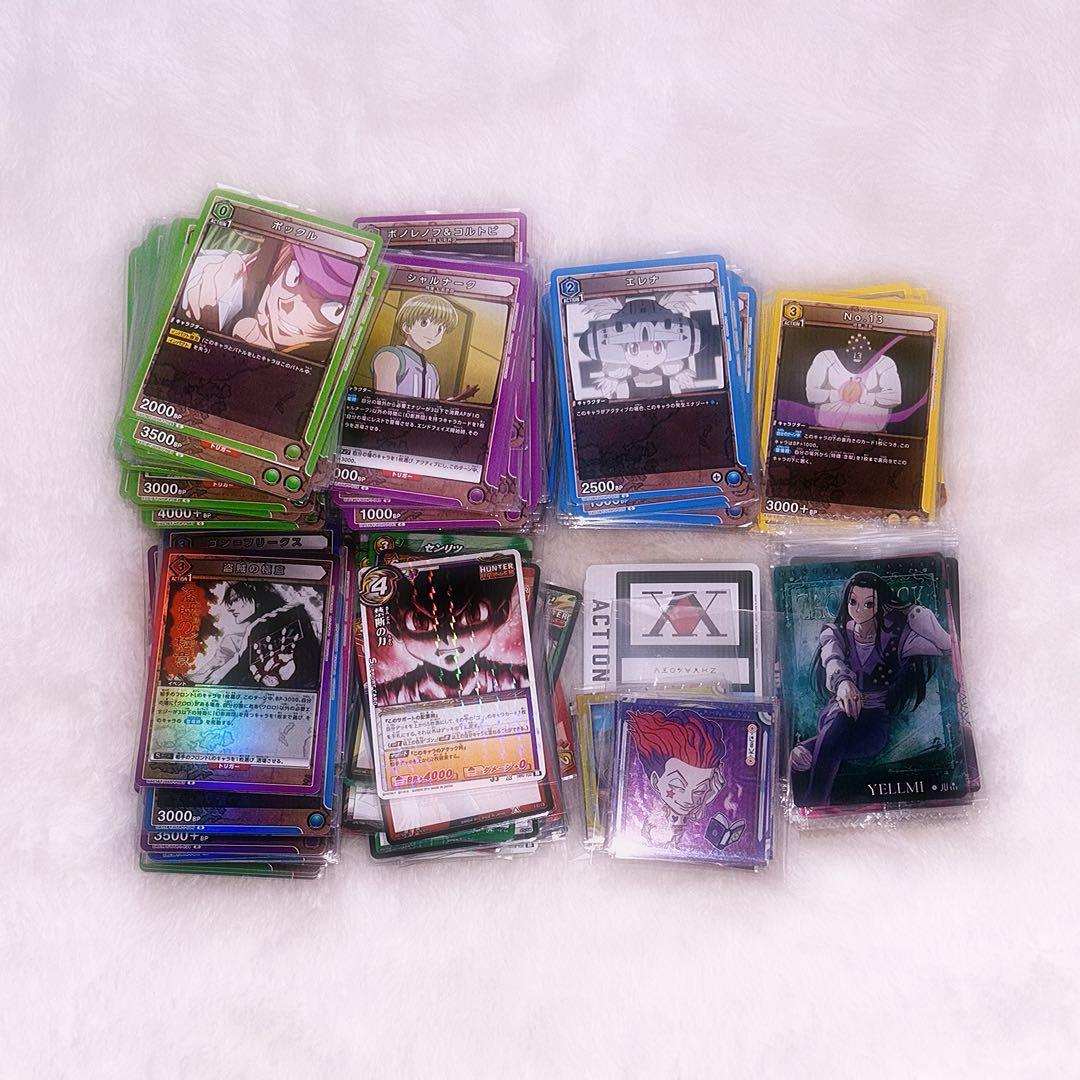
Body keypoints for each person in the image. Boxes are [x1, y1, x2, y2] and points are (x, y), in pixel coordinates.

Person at [789, 571, 952, 805]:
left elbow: (946, 647)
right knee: (841, 719)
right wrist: (843, 682)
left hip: (874, 723)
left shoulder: (896, 640)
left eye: (868, 604)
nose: (859, 610)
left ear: (880, 605)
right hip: (839, 711)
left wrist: (920, 616)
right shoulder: (836, 633)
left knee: (827, 748)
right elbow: (832, 658)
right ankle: (816, 801)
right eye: (853, 601)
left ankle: (810, 753)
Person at [181, 236, 359, 362]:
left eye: (332, 310)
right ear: (281, 259)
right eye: (293, 276)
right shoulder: (226, 277)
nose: (291, 307)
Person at [376, 565, 526, 705]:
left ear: (501, 614)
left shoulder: (521, 679)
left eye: (472, 615)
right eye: (421, 622)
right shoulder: (385, 697)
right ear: (395, 626)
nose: (448, 639)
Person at [575, 294, 706, 400]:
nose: (646, 354)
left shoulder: (672, 382)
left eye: (657, 347)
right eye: (634, 349)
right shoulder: (623, 386)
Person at [627, 708, 727, 846]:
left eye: (699, 790)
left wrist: (708, 797)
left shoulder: (696, 809)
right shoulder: (646, 814)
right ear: (655, 780)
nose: (689, 800)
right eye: (677, 786)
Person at [371, 294, 478, 401]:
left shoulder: (432, 371)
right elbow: (383, 402)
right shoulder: (391, 357)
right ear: (407, 327)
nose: (434, 333)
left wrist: (454, 401)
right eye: (424, 323)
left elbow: (434, 405)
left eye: (440, 328)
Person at [804, 332, 902, 431]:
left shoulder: (885, 362)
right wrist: (839, 394)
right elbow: (811, 395)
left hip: (872, 433)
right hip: (827, 431)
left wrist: (863, 396)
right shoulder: (825, 357)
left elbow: (895, 398)